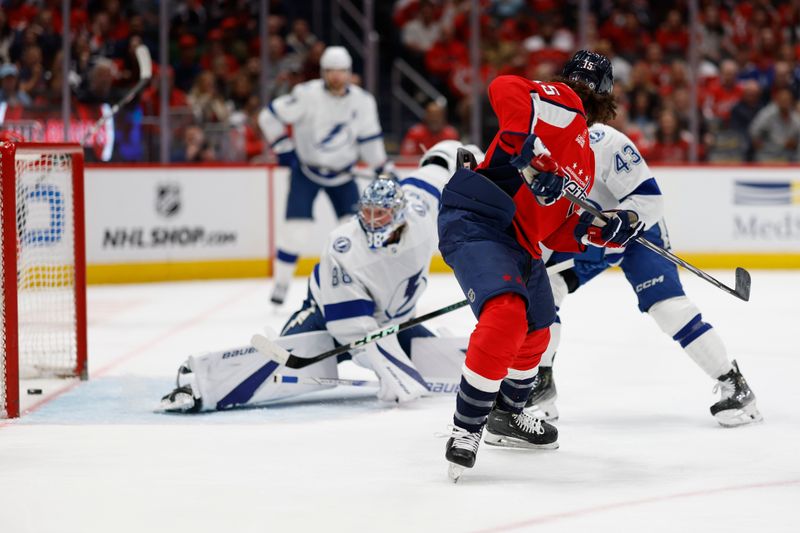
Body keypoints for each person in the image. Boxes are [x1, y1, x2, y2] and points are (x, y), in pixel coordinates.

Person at [159, 141, 480, 412]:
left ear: (399, 216)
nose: (371, 222)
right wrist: (392, 369)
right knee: (287, 361)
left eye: (380, 215)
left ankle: (515, 376)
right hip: (328, 314)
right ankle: (203, 384)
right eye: (366, 213)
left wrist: (482, 166)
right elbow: (352, 330)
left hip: (393, 321)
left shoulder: (422, 213)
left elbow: (443, 163)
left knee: (445, 365)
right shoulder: (343, 247)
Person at [438, 50, 627, 481]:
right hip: (481, 220)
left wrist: (602, 232)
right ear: (605, 96)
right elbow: (504, 85)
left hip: (521, 242)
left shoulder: (586, 154)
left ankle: (508, 414)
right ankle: (467, 428)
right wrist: (524, 146)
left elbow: (556, 229)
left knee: (538, 330)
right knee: (506, 313)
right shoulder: (562, 102)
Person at [526, 122, 763, 428]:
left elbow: (649, 198)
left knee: (668, 309)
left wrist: (628, 219)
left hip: (634, 229)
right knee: (545, 290)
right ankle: (540, 382)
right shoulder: (535, 149)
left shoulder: (605, 141)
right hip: (584, 236)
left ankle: (734, 383)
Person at [259, 46, 391, 306]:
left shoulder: (363, 101)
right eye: (331, 72)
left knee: (354, 233)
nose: (336, 77)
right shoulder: (306, 95)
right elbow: (267, 117)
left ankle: (356, 285)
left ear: (349, 73)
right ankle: (282, 284)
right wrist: (283, 147)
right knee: (295, 232)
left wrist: (382, 167)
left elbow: (370, 140)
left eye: (341, 72)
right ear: (322, 72)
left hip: (343, 176)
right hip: (306, 172)